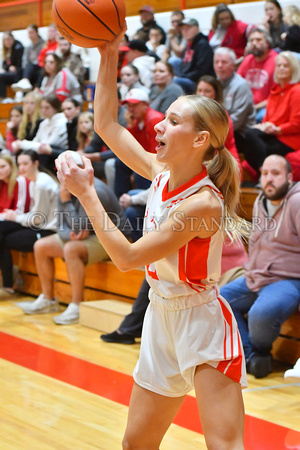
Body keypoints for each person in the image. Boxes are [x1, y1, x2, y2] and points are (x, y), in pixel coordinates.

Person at [56, 27, 247, 449]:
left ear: (200, 141)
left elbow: (125, 258)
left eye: (173, 121)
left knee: (224, 445)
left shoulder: (203, 205)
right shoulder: (161, 175)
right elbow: (106, 122)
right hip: (160, 317)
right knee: (135, 444)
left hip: (202, 323)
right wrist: (108, 52)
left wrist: (87, 192)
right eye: (165, 116)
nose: (160, 124)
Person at [21, 157, 129, 323]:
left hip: (113, 237)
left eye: (66, 171)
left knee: (71, 249)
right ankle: (48, 300)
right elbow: (62, 225)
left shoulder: (96, 190)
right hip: (88, 234)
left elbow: (78, 227)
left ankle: (76, 306)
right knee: (41, 246)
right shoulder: (65, 187)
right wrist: (69, 233)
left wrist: (66, 203)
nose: (63, 176)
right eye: (60, 172)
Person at [221, 155, 300, 378]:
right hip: (256, 275)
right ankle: (251, 356)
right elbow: (256, 240)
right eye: (265, 174)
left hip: (288, 279)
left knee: (260, 313)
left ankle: (260, 352)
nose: (269, 179)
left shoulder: (296, 201)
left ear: (289, 177)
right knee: (219, 300)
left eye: (275, 174)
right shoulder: (260, 200)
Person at [0, 150, 58, 294]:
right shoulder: (34, 182)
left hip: (49, 230)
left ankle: (8, 283)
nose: (21, 168)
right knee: (2, 239)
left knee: (2, 239)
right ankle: (8, 283)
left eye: (25, 164)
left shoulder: (41, 184)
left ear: (36, 163)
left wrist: (16, 217)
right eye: (19, 164)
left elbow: (38, 219)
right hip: (39, 226)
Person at [243, 51, 300, 174]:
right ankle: (264, 171)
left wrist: (277, 129)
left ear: (294, 69)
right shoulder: (276, 90)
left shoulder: (297, 91)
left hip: (288, 138)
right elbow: (268, 117)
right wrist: (264, 126)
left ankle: (265, 173)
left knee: (253, 141)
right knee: (248, 136)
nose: (281, 68)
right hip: (273, 133)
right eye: (279, 65)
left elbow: (296, 124)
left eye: (286, 66)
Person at [114, 88, 164, 198]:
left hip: (157, 160)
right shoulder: (135, 120)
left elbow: (155, 151)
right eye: (129, 106)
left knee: (137, 174)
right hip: (145, 156)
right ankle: (120, 198)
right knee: (119, 162)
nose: (131, 109)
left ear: (145, 104)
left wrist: (136, 167)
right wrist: (131, 126)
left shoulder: (154, 119)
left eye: (134, 105)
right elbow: (130, 147)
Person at [213, 47, 256, 150]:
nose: (219, 66)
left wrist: (213, 130)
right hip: (220, 129)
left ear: (233, 65)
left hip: (241, 134)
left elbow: (236, 121)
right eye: (216, 62)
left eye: (224, 62)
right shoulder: (215, 83)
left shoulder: (241, 86)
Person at [196, 75, 241, 169]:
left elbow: (212, 146)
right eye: (199, 90)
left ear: (215, 94)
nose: (202, 94)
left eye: (207, 91)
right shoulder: (192, 114)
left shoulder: (221, 115)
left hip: (224, 162)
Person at [14, 94, 67, 172]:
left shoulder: (61, 122)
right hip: (44, 153)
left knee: (40, 155)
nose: (43, 110)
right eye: (42, 107)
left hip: (55, 155)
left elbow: (45, 147)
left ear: (55, 108)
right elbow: (36, 141)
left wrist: (22, 144)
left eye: (47, 107)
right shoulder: (44, 122)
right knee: (23, 153)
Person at [237, 28, 277, 123]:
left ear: (267, 43)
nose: (254, 43)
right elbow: (237, 84)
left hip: (265, 107)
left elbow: (276, 96)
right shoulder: (248, 60)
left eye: (258, 40)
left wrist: (255, 107)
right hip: (246, 106)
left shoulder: (276, 61)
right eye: (251, 40)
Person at [172, 18, 215, 95]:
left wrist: (181, 77)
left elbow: (201, 72)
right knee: (173, 62)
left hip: (199, 81)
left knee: (175, 82)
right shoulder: (189, 44)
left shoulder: (203, 45)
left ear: (197, 28)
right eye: (183, 29)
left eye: (188, 28)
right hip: (189, 75)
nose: (185, 31)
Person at [11, 24, 44, 93]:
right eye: (29, 33)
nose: (30, 35)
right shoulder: (28, 47)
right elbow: (24, 60)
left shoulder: (43, 44)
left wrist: (30, 66)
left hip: (39, 67)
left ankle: (25, 81)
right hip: (30, 69)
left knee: (30, 66)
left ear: (36, 32)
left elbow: (41, 59)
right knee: (20, 70)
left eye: (32, 32)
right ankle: (20, 91)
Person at [0, 31, 24, 100]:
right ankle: (3, 98)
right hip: (10, 73)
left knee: (0, 76)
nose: (8, 42)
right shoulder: (6, 51)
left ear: (13, 39)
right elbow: (4, 65)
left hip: (18, 73)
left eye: (9, 39)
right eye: (6, 40)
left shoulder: (18, 48)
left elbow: (20, 64)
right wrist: (8, 67)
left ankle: (3, 98)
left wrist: (14, 67)